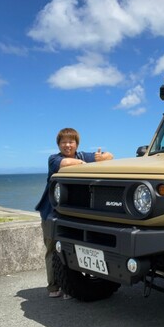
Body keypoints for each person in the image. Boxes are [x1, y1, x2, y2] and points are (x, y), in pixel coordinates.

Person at [35, 127, 114, 299]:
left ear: (77, 144)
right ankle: (53, 286)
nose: (67, 145)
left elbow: (110, 156)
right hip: (50, 212)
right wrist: (88, 163)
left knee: (70, 248)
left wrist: (101, 158)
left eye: (71, 142)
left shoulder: (82, 155)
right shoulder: (54, 159)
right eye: (63, 142)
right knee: (52, 249)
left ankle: (69, 285)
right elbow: (65, 164)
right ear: (59, 145)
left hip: (70, 213)